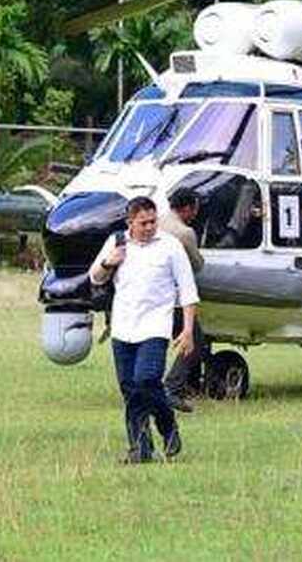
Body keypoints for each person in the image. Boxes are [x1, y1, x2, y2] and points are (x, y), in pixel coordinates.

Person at [89, 196, 199, 464]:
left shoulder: (171, 246)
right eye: (143, 223)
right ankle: (140, 448)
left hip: (155, 326)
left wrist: (187, 330)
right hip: (123, 327)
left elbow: (187, 290)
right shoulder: (117, 243)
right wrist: (109, 262)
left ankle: (168, 425)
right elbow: (94, 276)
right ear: (130, 222)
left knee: (147, 380)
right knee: (130, 389)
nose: (150, 227)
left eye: (153, 221)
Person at [160, 188, 206, 413]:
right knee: (194, 341)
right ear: (187, 208)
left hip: (153, 296)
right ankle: (172, 387)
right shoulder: (184, 233)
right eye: (195, 208)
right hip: (174, 298)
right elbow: (197, 264)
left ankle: (183, 385)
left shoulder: (155, 221)